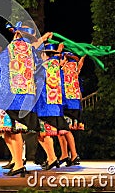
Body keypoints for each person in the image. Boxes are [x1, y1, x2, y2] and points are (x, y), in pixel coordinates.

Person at [0, 21, 50, 176]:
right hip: (27, 96)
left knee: (14, 129)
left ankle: (19, 163)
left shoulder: (10, 49)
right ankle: (19, 162)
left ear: (16, 34)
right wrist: (43, 39)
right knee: (17, 129)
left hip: (12, 96)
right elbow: (38, 66)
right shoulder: (31, 50)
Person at [34, 43, 71, 171]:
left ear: (45, 54)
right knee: (48, 133)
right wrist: (59, 52)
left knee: (42, 133)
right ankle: (54, 157)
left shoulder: (44, 66)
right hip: (55, 105)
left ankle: (52, 158)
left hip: (44, 105)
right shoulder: (55, 65)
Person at [57, 51, 85, 166]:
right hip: (73, 103)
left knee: (64, 129)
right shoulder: (75, 69)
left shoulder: (64, 67)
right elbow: (81, 62)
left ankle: (72, 155)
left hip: (68, 103)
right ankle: (68, 155)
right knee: (63, 130)